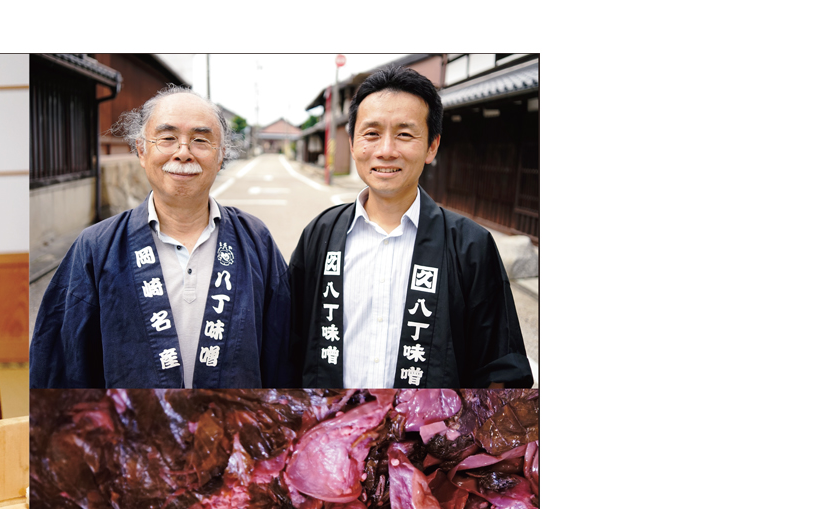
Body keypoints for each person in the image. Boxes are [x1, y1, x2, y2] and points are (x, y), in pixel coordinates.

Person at [288, 64, 532, 388]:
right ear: (352, 144)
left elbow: (501, 370)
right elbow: (287, 345)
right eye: (371, 133)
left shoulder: (471, 246)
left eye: (404, 134)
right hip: (334, 431)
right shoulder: (320, 235)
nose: (386, 150)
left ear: (432, 146)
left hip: (429, 437)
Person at [30, 86, 291, 388]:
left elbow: (283, 354)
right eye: (167, 138)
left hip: (233, 433)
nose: (183, 152)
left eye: (200, 140)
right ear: (142, 150)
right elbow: (60, 366)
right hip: (130, 434)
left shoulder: (255, 241)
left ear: (221, 157)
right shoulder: (96, 248)